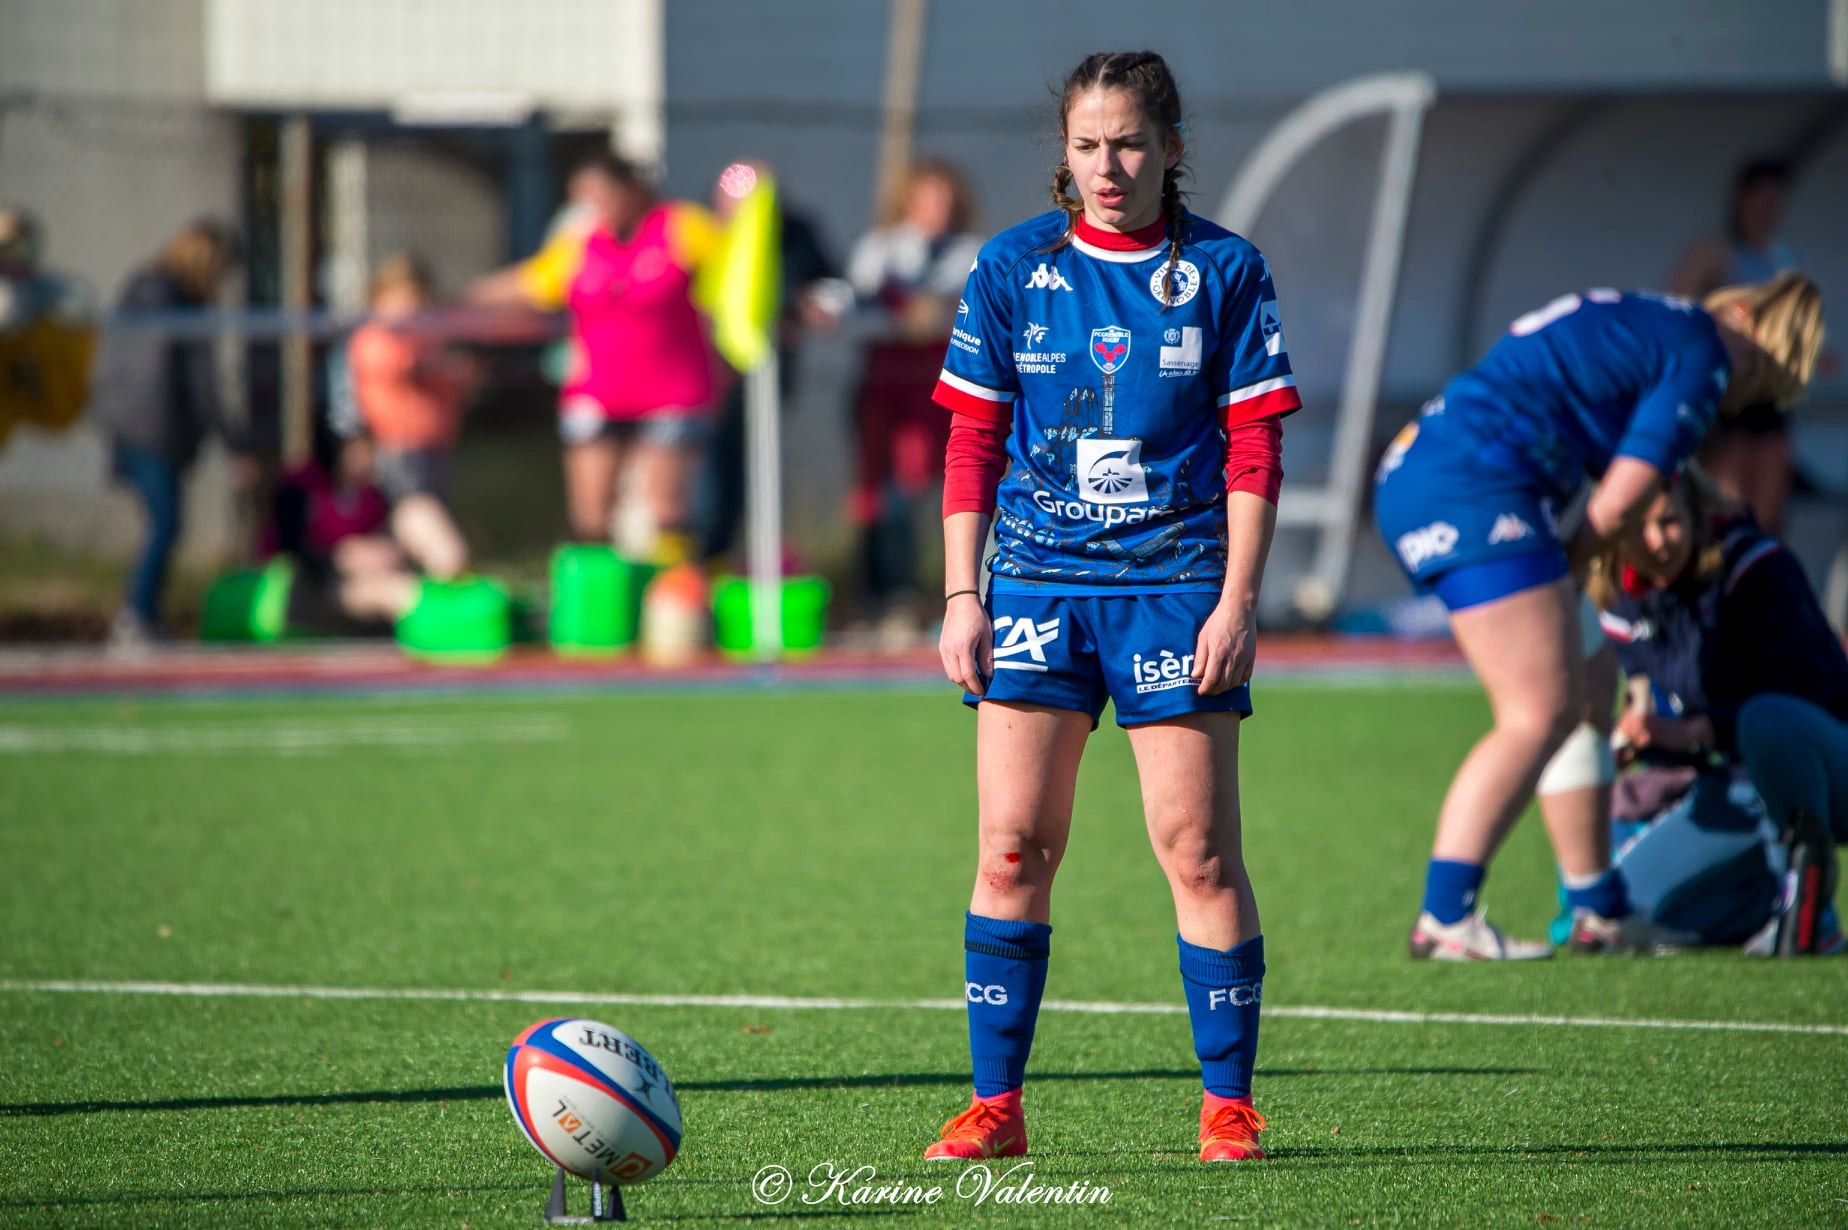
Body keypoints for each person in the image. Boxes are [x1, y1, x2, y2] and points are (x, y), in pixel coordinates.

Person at [929, 50, 1299, 1164]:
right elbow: (971, 443)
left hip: (1175, 590)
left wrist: (1237, 601)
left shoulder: (1227, 270)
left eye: (1130, 143)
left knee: (1196, 852)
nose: (1108, 166)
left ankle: (1227, 1108)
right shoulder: (1012, 267)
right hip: (1037, 583)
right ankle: (997, 1109)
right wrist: (962, 593)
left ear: (1173, 148)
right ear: (1064, 152)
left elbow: (1256, 445)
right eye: (1087, 145)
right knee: (1009, 847)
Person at [1373, 273, 1824, 958]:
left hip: (1445, 469)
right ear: (1743, 320)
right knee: (1538, 711)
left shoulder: (1653, 319)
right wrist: (1571, 566)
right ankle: (1445, 917)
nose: (1739, 394)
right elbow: (1618, 507)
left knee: (1590, 683)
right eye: (1758, 370)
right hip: (1476, 483)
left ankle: (1599, 909)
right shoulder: (1702, 353)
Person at [1588, 473, 1848, 954]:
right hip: (1732, 788)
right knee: (1629, 912)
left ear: (1696, 516)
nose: (1657, 541)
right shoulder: (1625, 600)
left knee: (1767, 722)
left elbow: (1813, 687)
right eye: (1639, 527)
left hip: (1826, 763)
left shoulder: (1754, 567)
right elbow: (1645, 697)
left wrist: (1692, 732)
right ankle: (1767, 900)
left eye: (1669, 521)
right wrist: (1637, 744)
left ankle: (1815, 916)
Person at [469, 151, 721, 564]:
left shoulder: (682, 227)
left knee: (666, 510)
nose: (591, 207)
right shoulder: (582, 240)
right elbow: (534, 282)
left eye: (598, 195)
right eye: (582, 199)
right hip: (600, 389)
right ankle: (600, 617)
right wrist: (457, 299)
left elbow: (736, 273)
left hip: (673, 390)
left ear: (630, 190)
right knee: (591, 516)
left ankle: (672, 611)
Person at [88, 217, 251, 648]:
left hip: (130, 427)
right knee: (166, 524)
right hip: (154, 432)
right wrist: (234, 441)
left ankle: (146, 615)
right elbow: (200, 383)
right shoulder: (179, 303)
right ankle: (136, 616)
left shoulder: (140, 290)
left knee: (163, 525)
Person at [847, 159, 983, 645]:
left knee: (930, 491)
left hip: (937, 390)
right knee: (877, 496)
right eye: (927, 199)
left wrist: (933, 317)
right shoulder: (881, 250)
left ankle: (933, 594)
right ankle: (883, 595)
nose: (936, 211)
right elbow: (858, 310)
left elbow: (965, 316)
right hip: (885, 388)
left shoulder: (971, 253)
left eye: (945, 201)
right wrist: (901, 316)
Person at [696, 160, 840, 564]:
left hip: (766, 373)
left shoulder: (796, 234)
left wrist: (798, 308)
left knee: (759, 470)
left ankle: (754, 562)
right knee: (710, 477)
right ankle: (708, 560)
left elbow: (825, 285)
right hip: (704, 378)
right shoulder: (706, 235)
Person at [1670, 160, 1800, 531]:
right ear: (1742, 200)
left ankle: (1760, 573)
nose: (1768, 213)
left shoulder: (1782, 258)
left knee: (1769, 505)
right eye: (1761, 202)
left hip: (1770, 393)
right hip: (1729, 394)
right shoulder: (1716, 251)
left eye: (1775, 204)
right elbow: (1678, 306)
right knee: (1728, 499)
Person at [348, 253, 474, 581]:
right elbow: (411, 369)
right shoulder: (378, 338)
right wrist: (447, 368)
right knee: (415, 522)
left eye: (420, 303)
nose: (413, 312)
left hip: (434, 449)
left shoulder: (425, 339)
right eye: (404, 302)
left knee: (421, 524)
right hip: (399, 452)